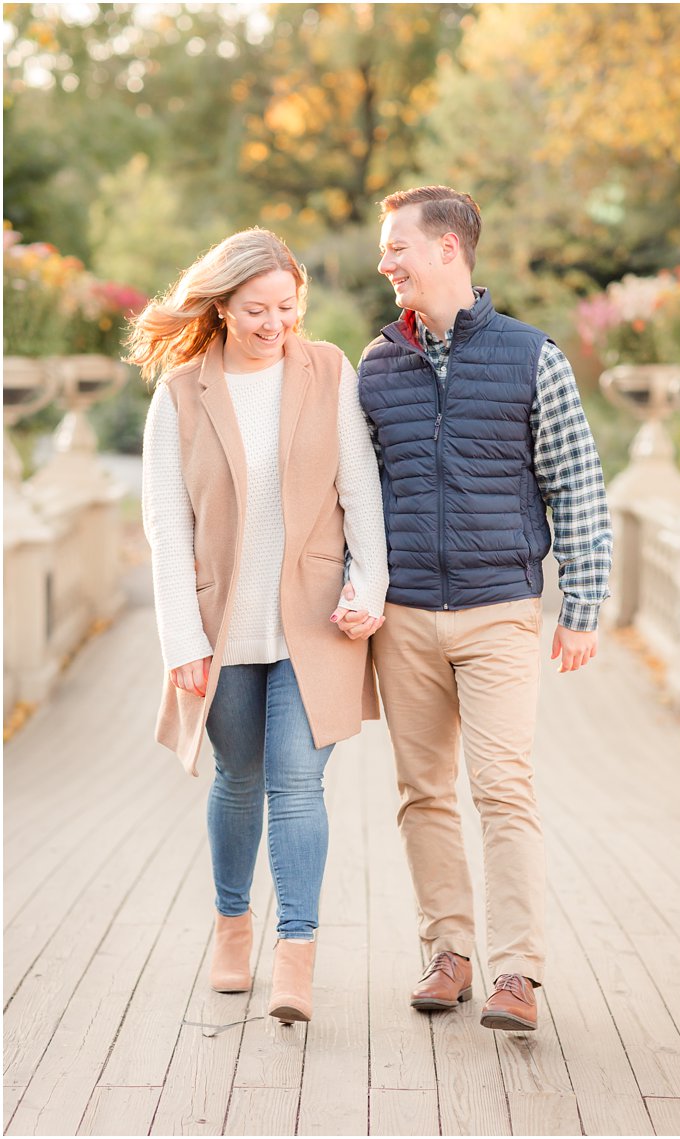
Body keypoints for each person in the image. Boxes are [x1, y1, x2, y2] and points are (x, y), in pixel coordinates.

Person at [344, 185, 612, 1032]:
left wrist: (583, 604)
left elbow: (577, 486)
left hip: (501, 610)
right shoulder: (376, 364)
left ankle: (519, 972)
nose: (386, 262)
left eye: (398, 247)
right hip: (407, 617)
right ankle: (449, 953)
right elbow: (352, 493)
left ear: (448, 250)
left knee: (503, 787)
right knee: (423, 791)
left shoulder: (534, 357)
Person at [134, 228, 389, 1025]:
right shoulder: (180, 392)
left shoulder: (327, 371)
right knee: (238, 779)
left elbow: (362, 492)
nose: (275, 322)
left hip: (314, 623)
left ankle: (298, 956)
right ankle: (233, 926)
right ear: (221, 306)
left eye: (287, 306)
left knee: (298, 783)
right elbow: (165, 525)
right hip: (220, 629)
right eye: (256, 309)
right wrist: (183, 638)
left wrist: (369, 585)